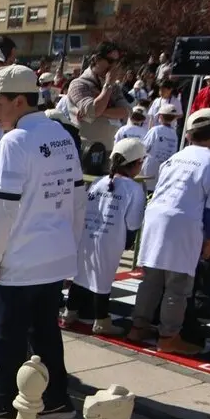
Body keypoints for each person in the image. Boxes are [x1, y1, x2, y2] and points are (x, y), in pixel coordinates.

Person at [0, 64, 84, 419]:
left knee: (7, 335)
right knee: (45, 332)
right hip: (55, 253)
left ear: (19, 100)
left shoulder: (15, 140)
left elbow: (7, 207)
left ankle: (6, 401)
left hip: (21, 258)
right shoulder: (62, 135)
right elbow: (75, 198)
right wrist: (72, 251)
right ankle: (57, 399)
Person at [129, 108, 210, 355]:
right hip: (183, 223)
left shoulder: (177, 157)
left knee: (152, 280)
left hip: (156, 217)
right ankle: (168, 336)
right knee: (177, 285)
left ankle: (139, 326)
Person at [64, 138, 146, 335]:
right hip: (111, 239)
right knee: (103, 279)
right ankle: (101, 320)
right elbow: (133, 222)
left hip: (87, 234)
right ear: (136, 164)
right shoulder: (134, 189)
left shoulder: (99, 182)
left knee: (81, 274)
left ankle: (69, 313)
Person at [67, 41, 132, 157]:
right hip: (85, 150)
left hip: (109, 150)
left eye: (116, 62)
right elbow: (94, 110)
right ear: (96, 59)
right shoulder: (78, 84)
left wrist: (101, 112)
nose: (113, 67)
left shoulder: (114, 86)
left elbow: (126, 111)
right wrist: (107, 86)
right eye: (110, 61)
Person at [141, 103, 180, 194]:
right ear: (174, 118)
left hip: (149, 172)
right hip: (163, 172)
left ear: (160, 116)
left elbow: (144, 148)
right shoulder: (174, 134)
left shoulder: (155, 130)